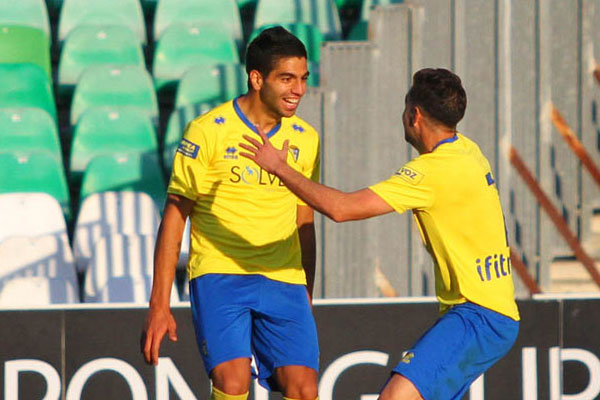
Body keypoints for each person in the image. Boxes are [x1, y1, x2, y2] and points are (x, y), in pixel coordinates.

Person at [239, 68, 520, 400]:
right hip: (493, 313)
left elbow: (342, 209)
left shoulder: (431, 172)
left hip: (477, 314)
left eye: (405, 108)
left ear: (414, 115)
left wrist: (279, 167)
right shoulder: (468, 150)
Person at [142, 26, 321, 400]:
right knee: (232, 382)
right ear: (257, 78)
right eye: (287, 79)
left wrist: (306, 290)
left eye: (303, 79)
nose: (298, 90)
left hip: (283, 276)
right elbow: (175, 216)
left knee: (303, 388)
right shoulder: (206, 132)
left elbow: (305, 220)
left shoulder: (306, 138)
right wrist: (160, 304)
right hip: (221, 274)